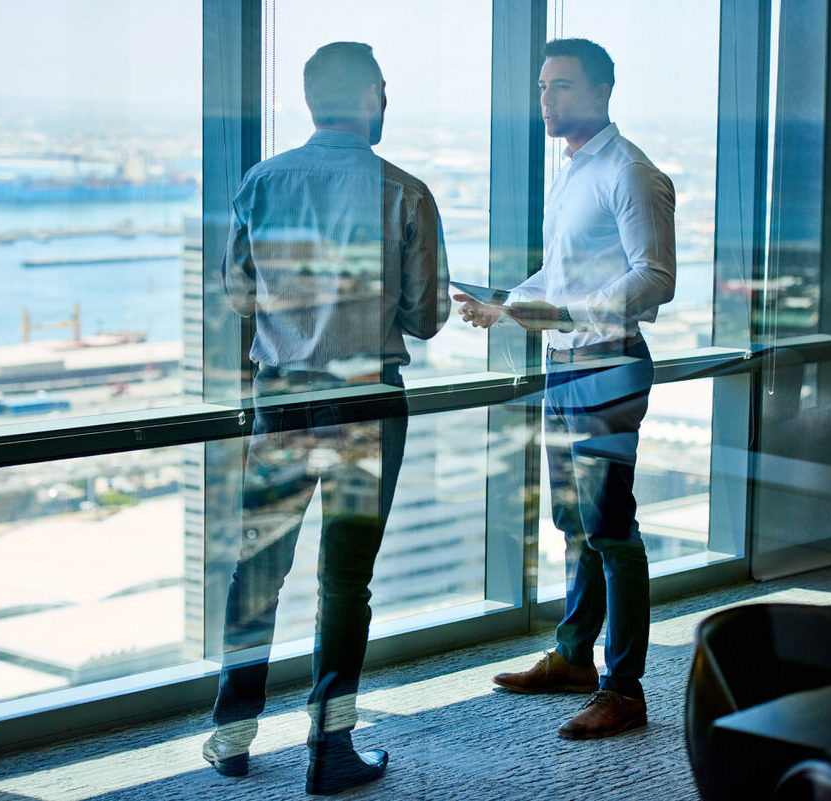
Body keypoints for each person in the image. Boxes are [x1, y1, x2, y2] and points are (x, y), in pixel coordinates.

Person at [202, 42, 449, 793]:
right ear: (375, 95)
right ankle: (328, 751)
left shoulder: (262, 182)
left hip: (280, 400)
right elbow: (428, 315)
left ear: (310, 101)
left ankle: (233, 736)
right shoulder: (404, 191)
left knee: (258, 571)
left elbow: (237, 296)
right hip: (366, 401)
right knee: (346, 583)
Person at [456, 37, 675, 739]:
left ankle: (625, 689)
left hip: (607, 366)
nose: (546, 100)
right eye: (543, 87)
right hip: (566, 366)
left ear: (602, 91)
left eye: (562, 87)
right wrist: (507, 307)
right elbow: (560, 278)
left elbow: (655, 278)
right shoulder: (573, 172)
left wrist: (556, 312)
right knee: (578, 527)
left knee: (612, 530)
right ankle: (575, 657)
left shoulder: (631, 173)